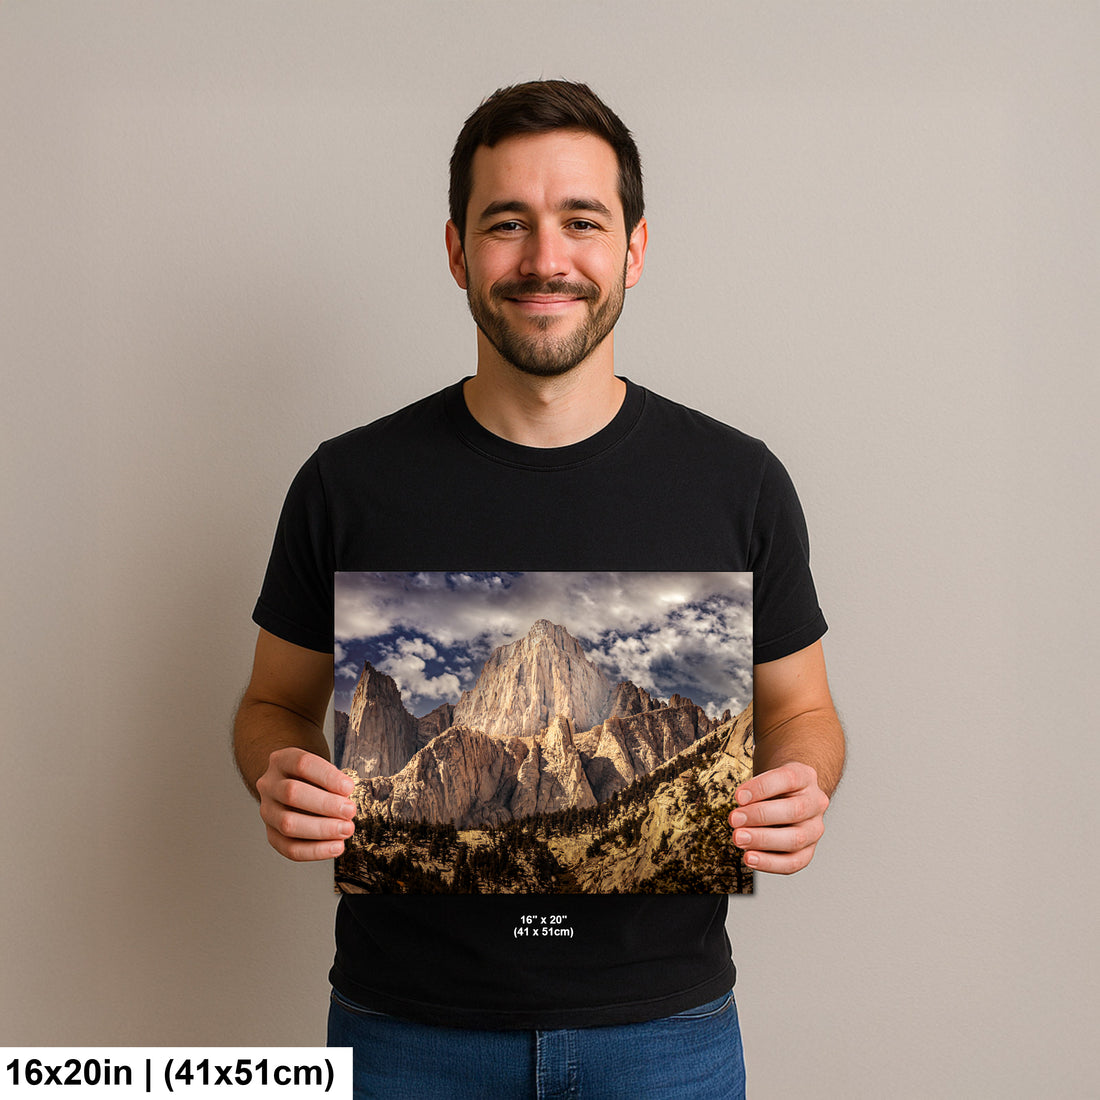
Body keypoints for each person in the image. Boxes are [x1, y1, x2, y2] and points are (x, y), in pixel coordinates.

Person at [233, 79, 845, 1099]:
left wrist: (800, 784)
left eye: (580, 221)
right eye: (506, 223)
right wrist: (281, 770)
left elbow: (805, 712)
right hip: (404, 1035)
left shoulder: (738, 482)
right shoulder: (347, 482)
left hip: (666, 1033)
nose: (544, 257)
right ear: (456, 251)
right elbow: (268, 704)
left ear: (633, 250)